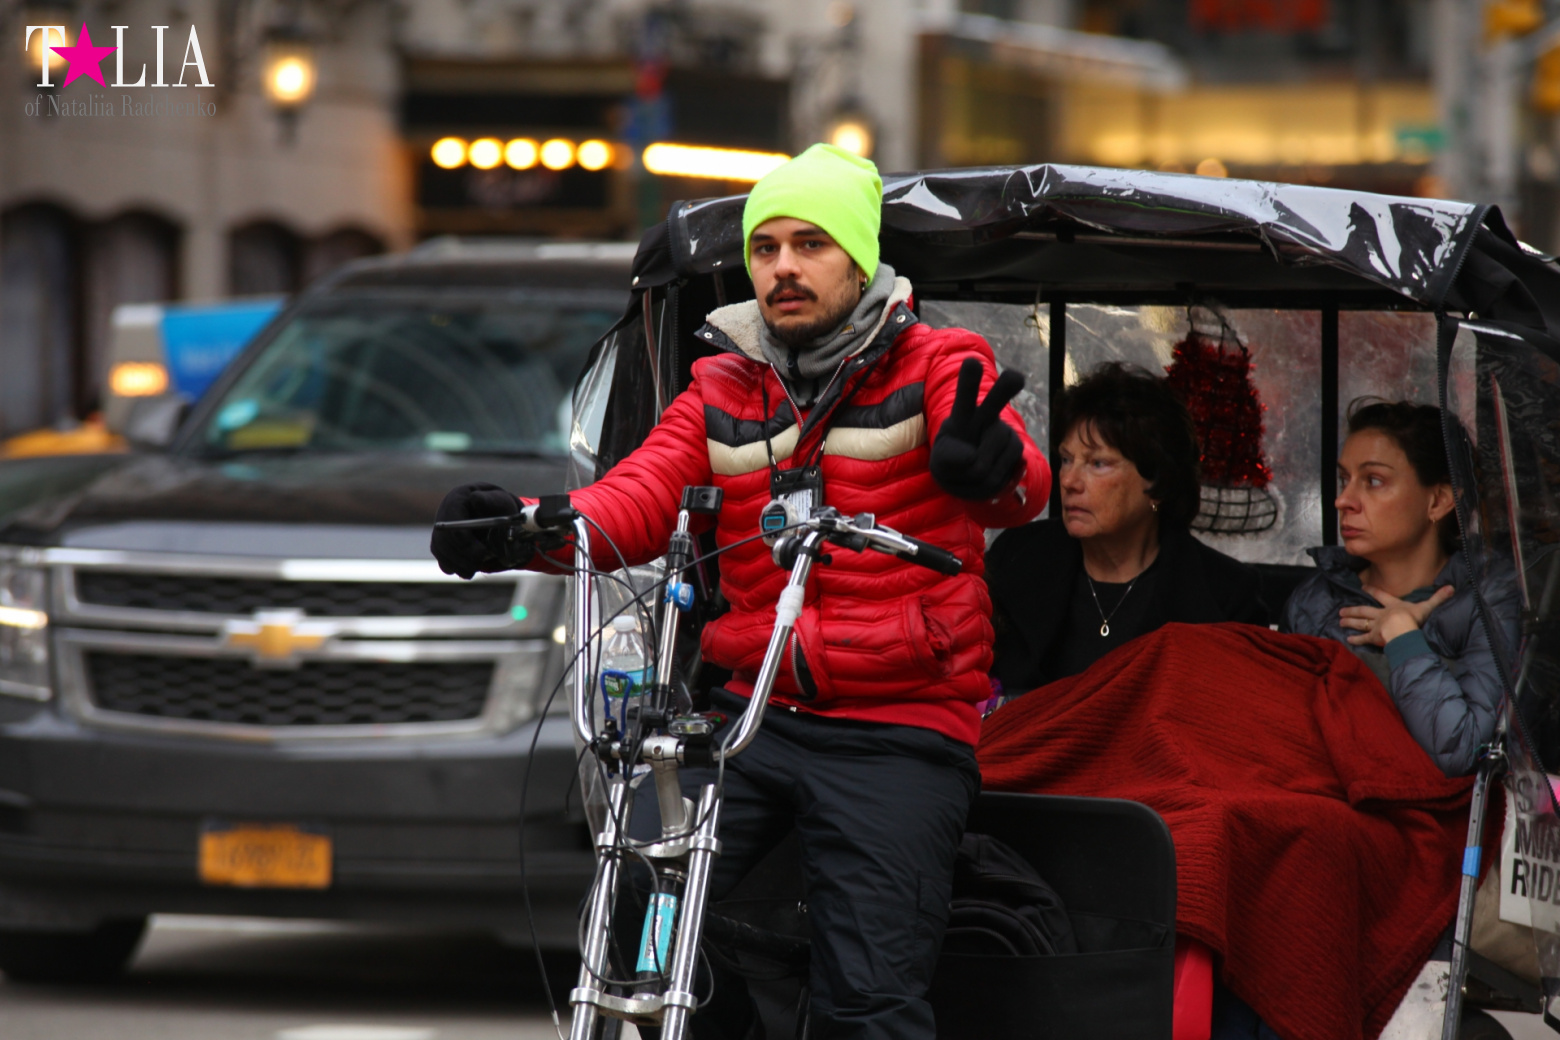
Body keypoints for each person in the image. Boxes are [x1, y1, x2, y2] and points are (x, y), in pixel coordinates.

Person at [430, 143, 1050, 1038]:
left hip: (901, 725)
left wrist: (989, 471)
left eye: (810, 244)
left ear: (861, 257)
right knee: (644, 924)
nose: (784, 268)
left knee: (868, 999)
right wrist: (525, 527)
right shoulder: (721, 383)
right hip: (752, 716)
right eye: (766, 248)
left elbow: (1021, 486)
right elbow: (634, 500)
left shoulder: (940, 362)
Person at [986, 362, 1265, 697]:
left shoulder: (1226, 598)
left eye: (1097, 463)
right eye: (1066, 459)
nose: (1069, 481)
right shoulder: (1016, 561)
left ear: (1159, 482)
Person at [1283, 400, 1522, 777]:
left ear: (1439, 500)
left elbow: (1461, 750)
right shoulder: (1316, 599)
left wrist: (1403, 637)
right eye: (1344, 480)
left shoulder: (1488, 597)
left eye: (1373, 481)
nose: (1343, 501)